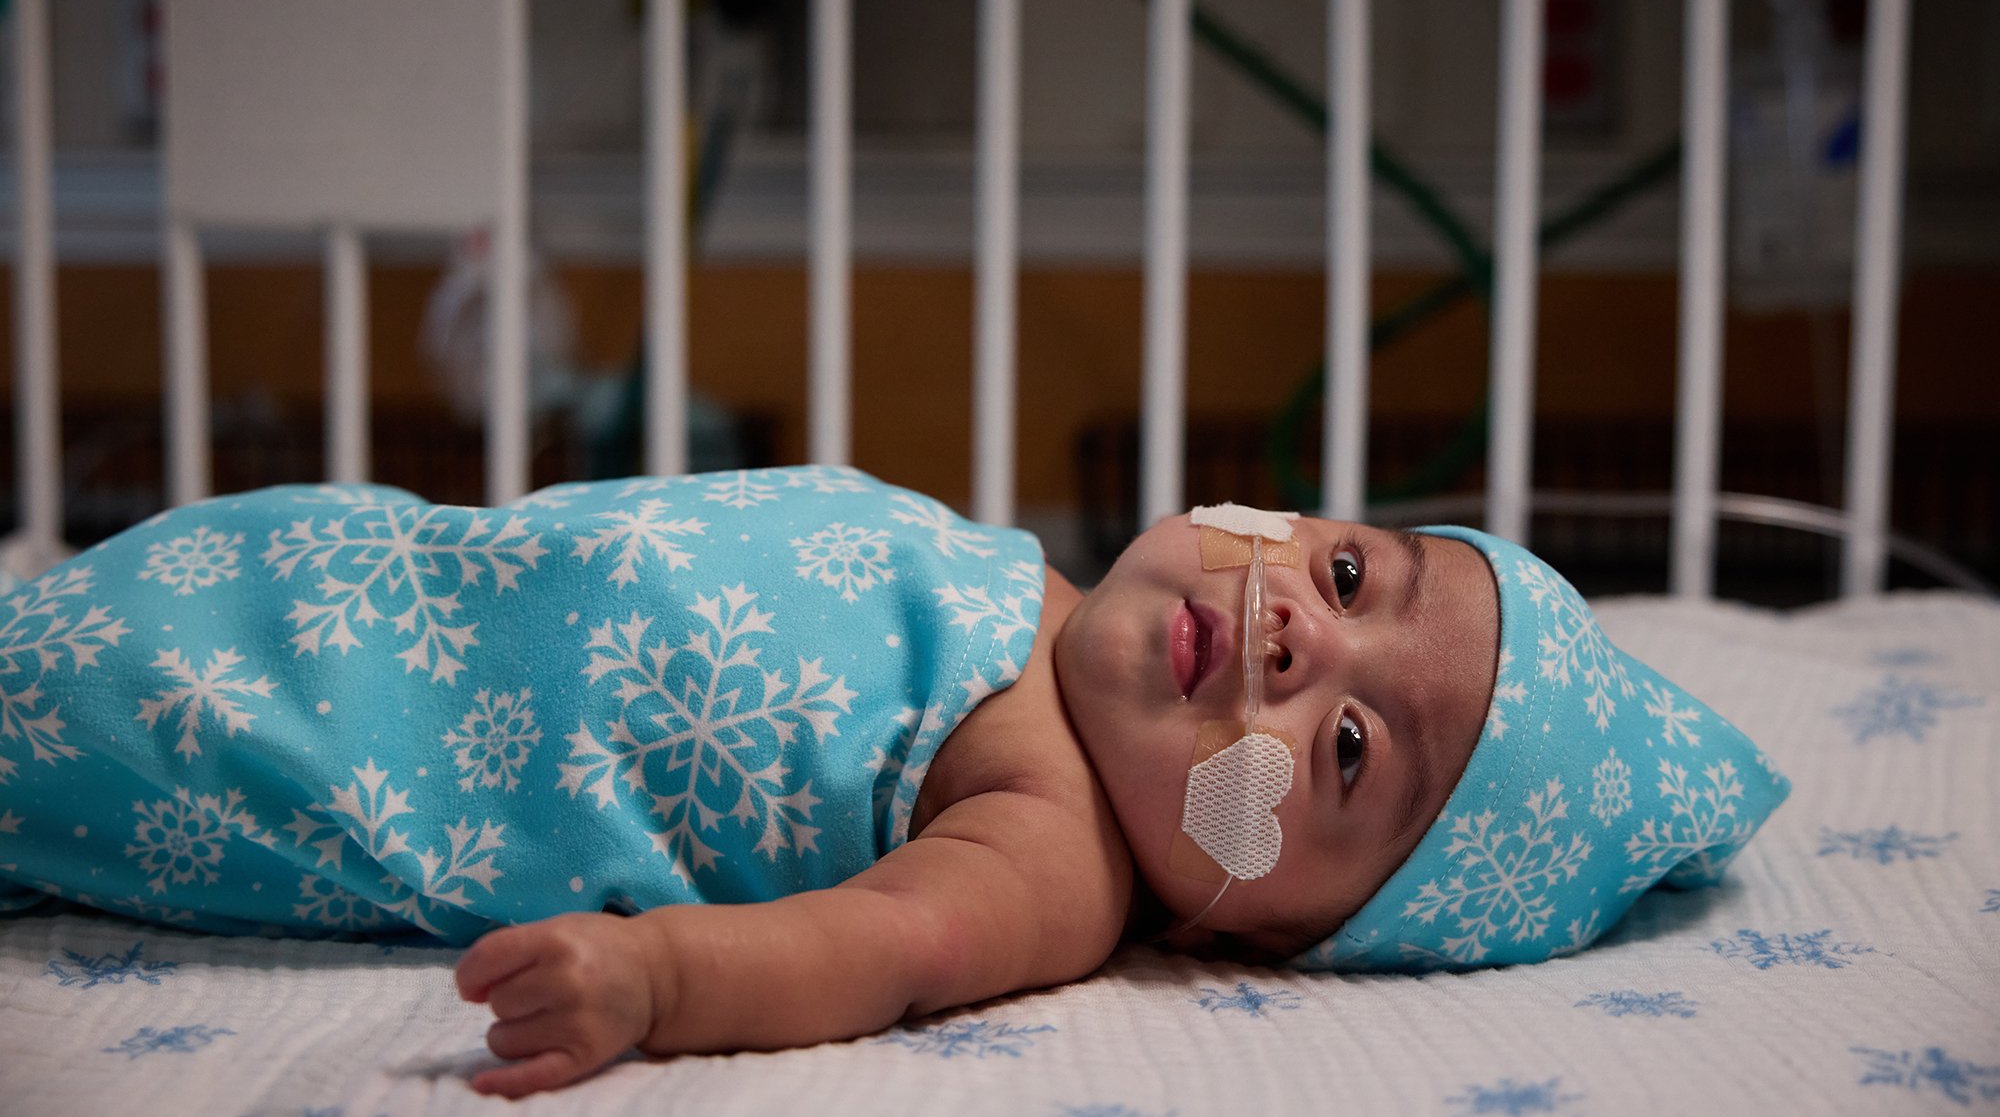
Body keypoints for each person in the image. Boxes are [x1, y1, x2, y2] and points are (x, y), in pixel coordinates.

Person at [0, 468, 1788, 1098]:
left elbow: (884, 945)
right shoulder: (1017, 583)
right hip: (357, 576)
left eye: (1343, 753)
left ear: (1278, 928)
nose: (1291, 643)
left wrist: (661, 977)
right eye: (1343, 576)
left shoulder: (1058, 848)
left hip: (321, 743)